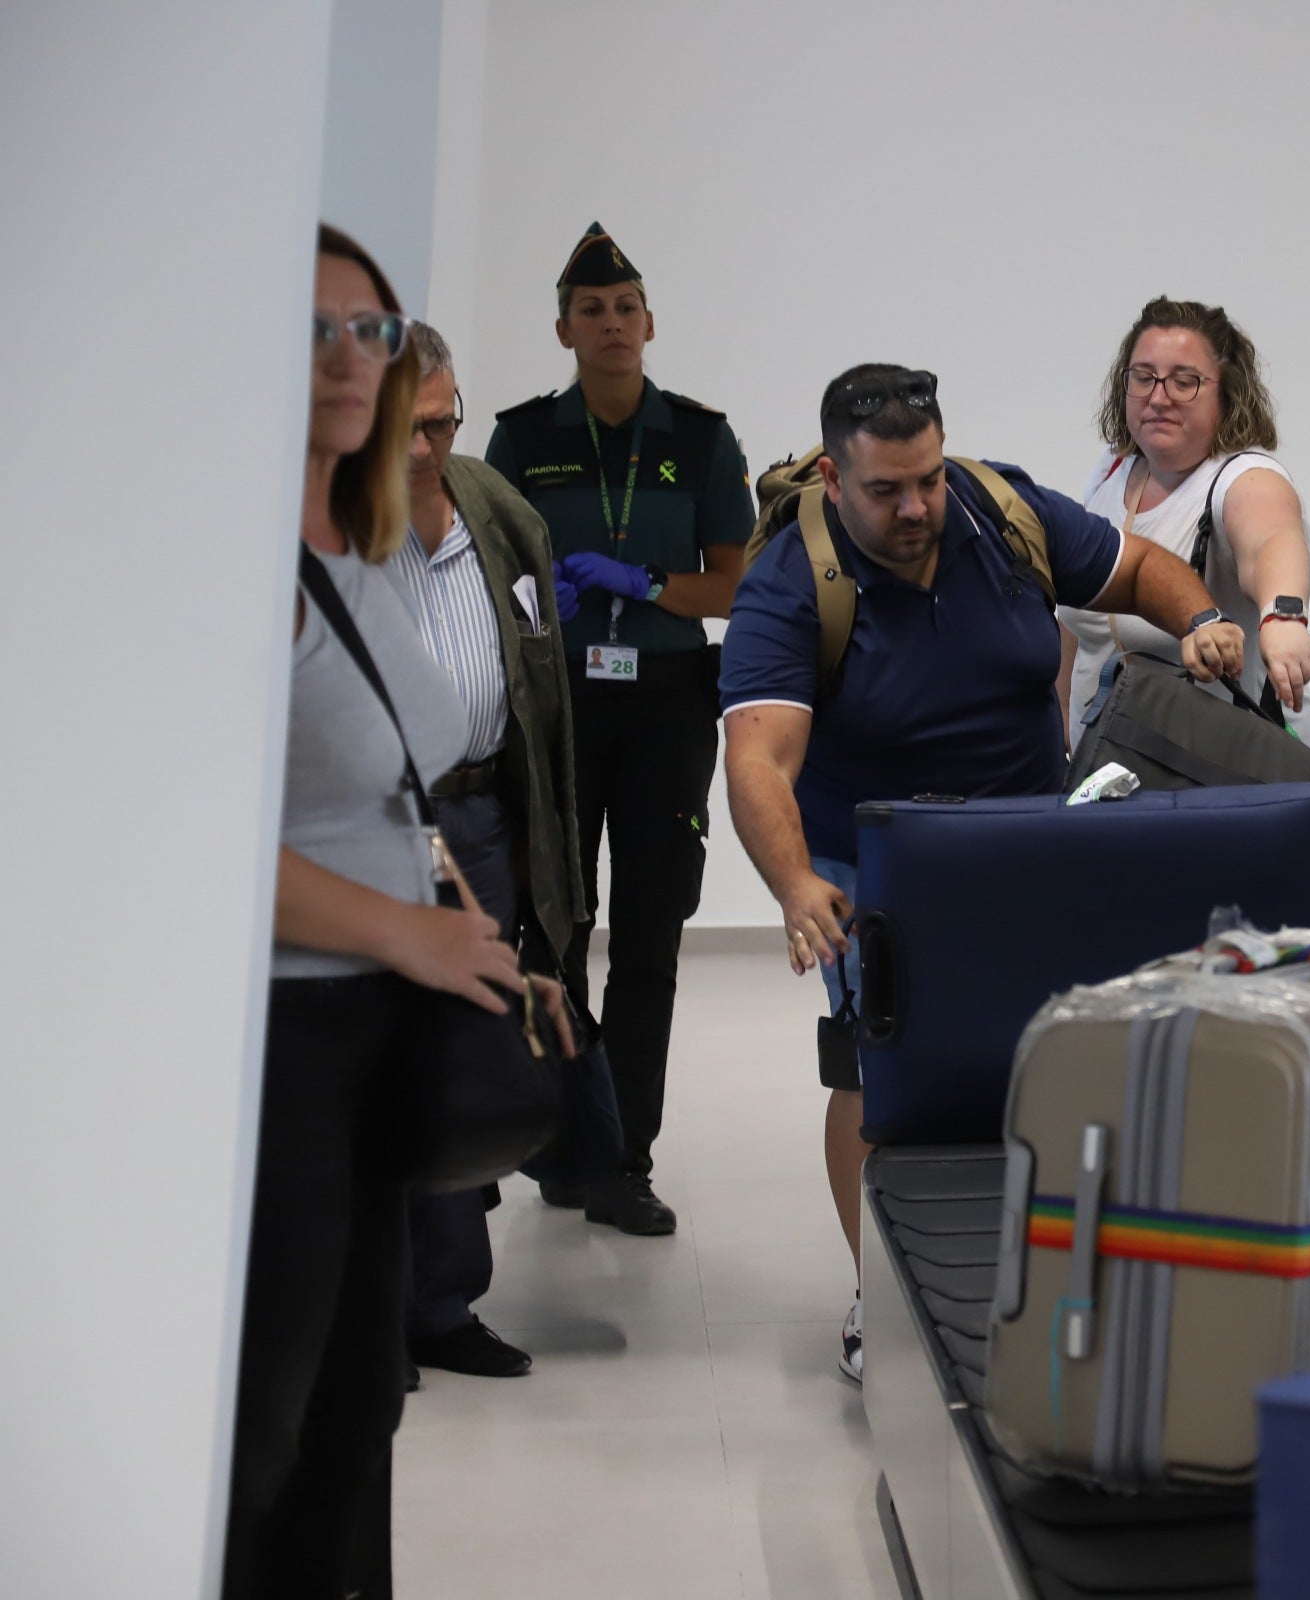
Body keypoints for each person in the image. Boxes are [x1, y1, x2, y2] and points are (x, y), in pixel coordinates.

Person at [720, 365, 1248, 1380]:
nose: (916, 507)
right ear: (835, 475)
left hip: (1026, 844)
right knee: (879, 1079)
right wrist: (794, 884)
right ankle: (880, 1296)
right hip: (875, 865)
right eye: (887, 490)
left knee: (1051, 1058)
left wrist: (1200, 620)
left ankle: (1055, 1271)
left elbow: (1137, 569)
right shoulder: (795, 581)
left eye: (926, 479)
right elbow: (757, 758)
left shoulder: (999, 509)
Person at [227, 225, 573, 1596]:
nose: (347, 360)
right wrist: (401, 933)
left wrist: (465, 931)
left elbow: (378, 783)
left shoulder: (357, 540)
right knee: (271, 1410)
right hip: (279, 1047)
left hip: (374, 1024)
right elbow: (194, 842)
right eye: (312, 329)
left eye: (369, 330)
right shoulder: (226, 556)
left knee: (359, 1398)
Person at [485, 223, 754, 1236]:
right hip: (559, 704)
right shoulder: (521, 439)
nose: (611, 323)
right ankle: (561, 1138)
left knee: (649, 938)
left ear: (650, 323)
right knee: (554, 926)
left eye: (626, 306)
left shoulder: (698, 437)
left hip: (666, 701)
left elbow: (731, 585)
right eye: (591, 309)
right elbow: (487, 569)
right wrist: (533, 604)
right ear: (564, 327)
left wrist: (639, 580)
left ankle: (624, 1157)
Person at [390, 322, 602, 1381]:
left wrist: (533, 842)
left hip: (477, 820)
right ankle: (366, 1314)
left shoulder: (496, 511)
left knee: (467, 1058)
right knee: (370, 1061)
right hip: (370, 829)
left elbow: (541, 694)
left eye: (446, 418)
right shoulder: (326, 529)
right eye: (409, 426)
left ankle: (442, 1305)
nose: (430, 445)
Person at [1060, 296, 1310, 747]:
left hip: (1222, 774)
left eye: (1185, 382)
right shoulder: (1111, 471)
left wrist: (1283, 618)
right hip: (1109, 771)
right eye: (1143, 378)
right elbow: (1081, 622)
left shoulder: (1243, 478)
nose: (1159, 397)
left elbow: (1272, 539)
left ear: (1227, 393)